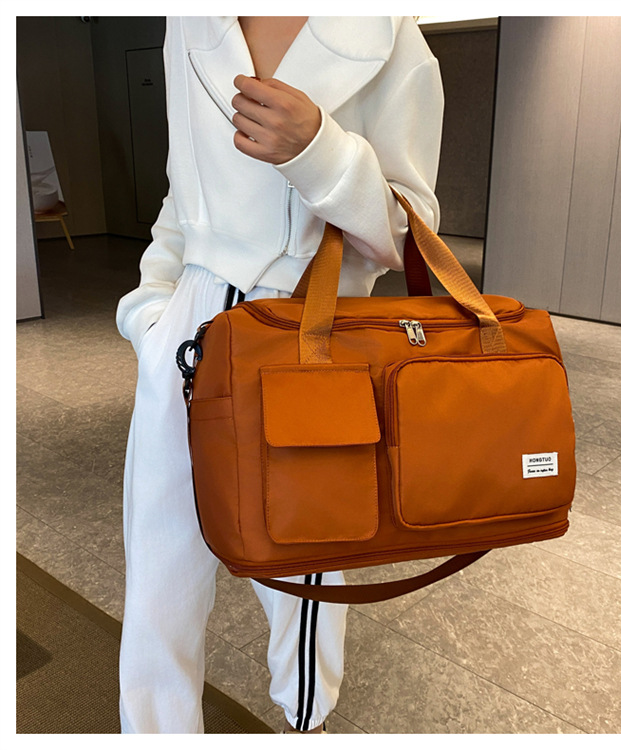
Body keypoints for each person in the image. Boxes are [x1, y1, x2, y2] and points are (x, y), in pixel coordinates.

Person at [115, 15, 444, 734]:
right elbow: (181, 189)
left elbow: (410, 231)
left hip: (308, 328)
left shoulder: (389, 33)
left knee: (304, 568)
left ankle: (305, 722)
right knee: (160, 565)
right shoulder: (190, 19)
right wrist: (150, 312)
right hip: (190, 326)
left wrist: (321, 152)